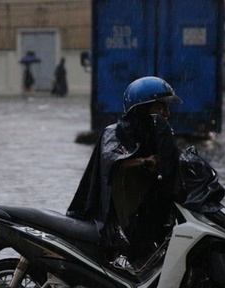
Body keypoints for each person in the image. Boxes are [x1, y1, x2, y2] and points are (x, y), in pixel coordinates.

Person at [66, 76, 182, 268]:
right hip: (116, 211)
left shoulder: (157, 130)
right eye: (161, 107)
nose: (167, 113)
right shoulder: (114, 133)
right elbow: (113, 162)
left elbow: (172, 159)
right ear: (143, 107)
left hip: (141, 206)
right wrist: (143, 162)